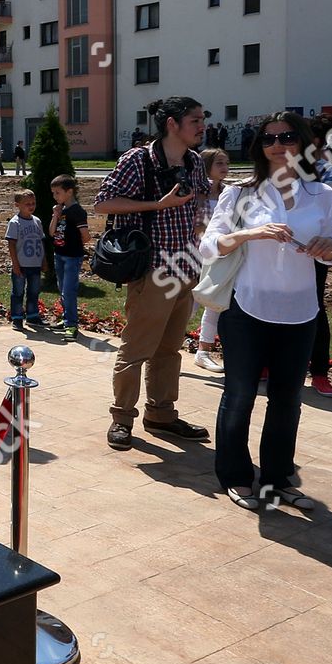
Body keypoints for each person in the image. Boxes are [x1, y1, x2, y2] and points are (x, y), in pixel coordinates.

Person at [200, 112, 332, 511]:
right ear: (259, 147)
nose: (278, 144)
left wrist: (330, 250)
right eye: (269, 139)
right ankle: (236, 475)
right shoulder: (240, 193)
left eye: (287, 136)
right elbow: (210, 247)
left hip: (300, 311)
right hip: (247, 308)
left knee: (287, 400)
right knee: (240, 394)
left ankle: (278, 478)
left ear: (304, 142)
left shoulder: (322, 195)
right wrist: (250, 232)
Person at [94, 96, 212, 451]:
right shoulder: (138, 160)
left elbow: (203, 201)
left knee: (170, 350)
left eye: (202, 118)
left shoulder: (193, 162)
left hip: (186, 268)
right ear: (172, 124)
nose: (202, 125)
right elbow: (102, 202)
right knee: (136, 350)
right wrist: (157, 206)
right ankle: (121, 418)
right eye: (195, 119)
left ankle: (161, 414)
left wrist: (201, 225)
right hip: (153, 272)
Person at [307, 115, 332, 397]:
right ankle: (268, 365)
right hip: (282, 247)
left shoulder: (330, 172)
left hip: (315, 249)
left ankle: (319, 373)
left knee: (316, 308)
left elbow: (324, 208)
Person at [192, 147, 231, 371]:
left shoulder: (230, 193)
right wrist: (216, 234)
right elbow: (194, 226)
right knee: (189, 305)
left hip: (219, 256)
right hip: (195, 257)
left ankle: (203, 350)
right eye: (219, 163)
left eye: (226, 163)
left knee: (214, 303)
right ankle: (164, 346)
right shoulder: (198, 193)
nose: (225, 168)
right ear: (206, 165)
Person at [49, 175, 92, 340]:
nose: (55, 196)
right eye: (53, 193)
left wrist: (74, 243)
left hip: (72, 257)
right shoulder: (61, 211)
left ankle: (72, 324)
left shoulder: (77, 212)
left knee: (69, 290)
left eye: (57, 193)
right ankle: (66, 319)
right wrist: (55, 215)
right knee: (62, 289)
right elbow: (52, 233)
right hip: (59, 254)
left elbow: (86, 236)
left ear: (69, 192)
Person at [5, 189, 44, 330]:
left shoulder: (37, 221)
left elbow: (41, 242)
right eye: (27, 203)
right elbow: (11, 245)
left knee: (34, 292)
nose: (31, 206)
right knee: (18, 292)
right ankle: (17, 318)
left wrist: (44, 261)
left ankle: (33, 316)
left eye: (33, 203)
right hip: (21, 265)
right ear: (18, 205)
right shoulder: (15, 223)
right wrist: (15, 264)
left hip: (35, 264)